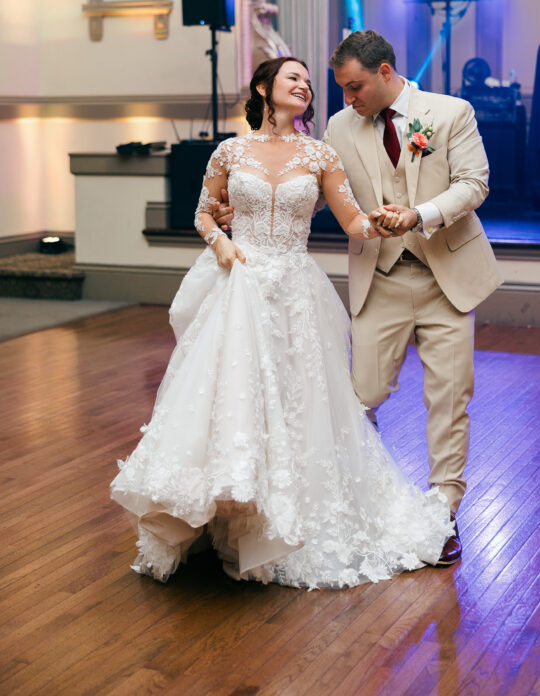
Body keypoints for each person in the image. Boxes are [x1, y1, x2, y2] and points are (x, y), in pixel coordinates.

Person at [111, 56, 452, 589]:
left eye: (310, 83)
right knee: (232, 401)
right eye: (294, 78)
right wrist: (220, 242)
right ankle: (222, 515)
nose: (305, 86)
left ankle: (282, 521)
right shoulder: (230, 150)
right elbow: (205, 211)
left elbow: (351, 221)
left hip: (294, 290)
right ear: (265, 89)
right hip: (239, 283)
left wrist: (389, 219)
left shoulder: (320, 154)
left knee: (297, 403)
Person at [213, 31, 502, 566]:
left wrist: (420, 215)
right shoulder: (338, 128)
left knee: (450, 396)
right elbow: (322, 195)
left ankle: (443, 510)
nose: (347, 99)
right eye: (341, 90)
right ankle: (360, 491)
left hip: (449, 277)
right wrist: (250, 211)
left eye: (355, 87)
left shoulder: (450, 112)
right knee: (359, 394)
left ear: (386, 73)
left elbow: (474, 184)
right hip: (381, 278)